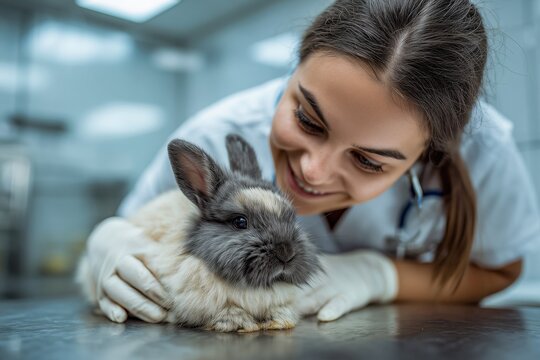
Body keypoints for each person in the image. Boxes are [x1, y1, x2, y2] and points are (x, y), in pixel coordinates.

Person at [82, 0, 540, 324]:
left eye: (368, 160)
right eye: (307, 119)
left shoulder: (485, 152)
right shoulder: (215, 134)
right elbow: (136, 234)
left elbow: (501, 269)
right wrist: (108, 240)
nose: (311, 171)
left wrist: (381, 277)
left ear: (428, 153)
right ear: (296, 64)